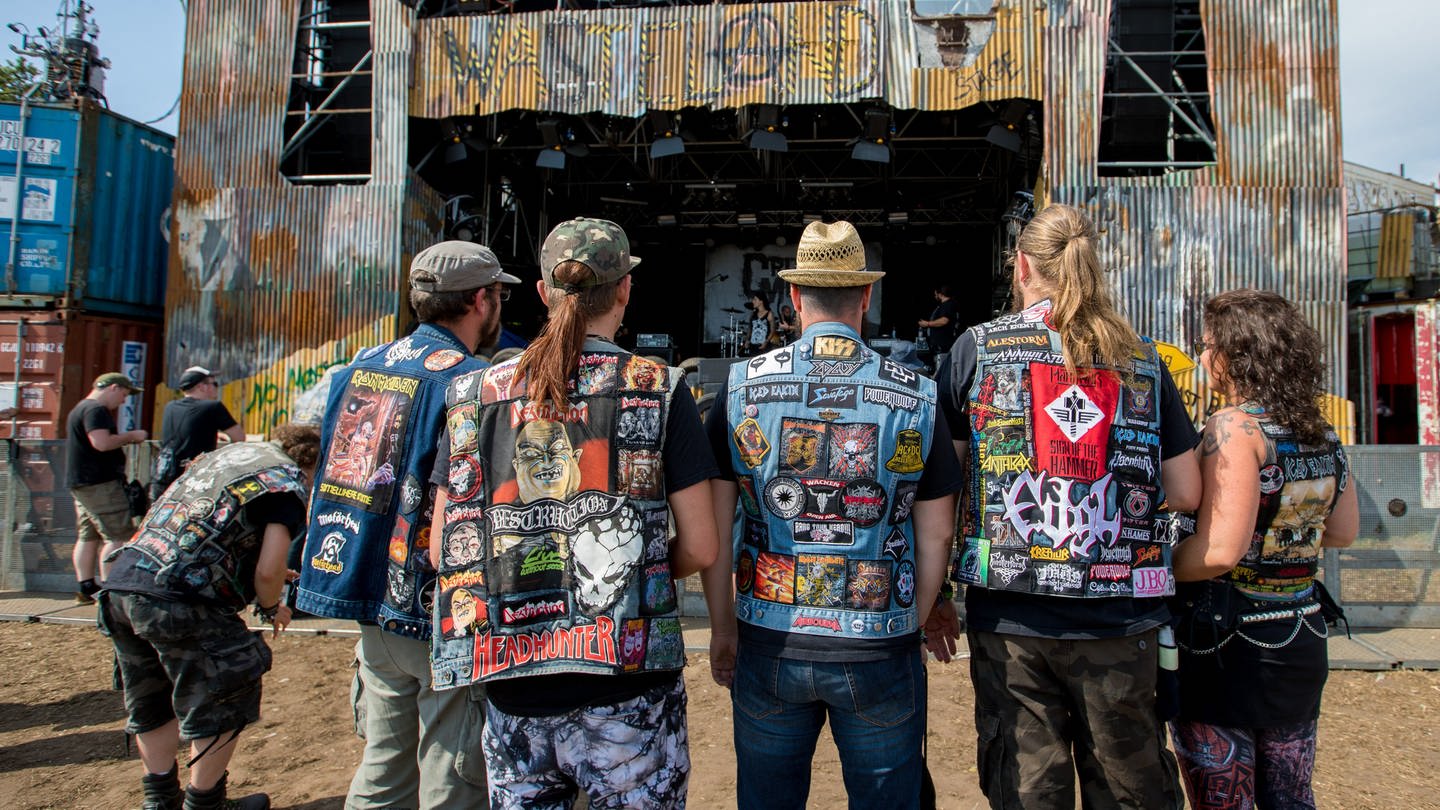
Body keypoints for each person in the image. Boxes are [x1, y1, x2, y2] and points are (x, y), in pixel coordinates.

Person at [429, 217, 720, 809]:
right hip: (626, 685)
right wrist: (634, 566)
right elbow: (703, 546)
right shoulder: (658, 387)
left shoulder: (472, 395)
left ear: (542, 292)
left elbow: (443, 550)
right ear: (624, 290)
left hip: (513, 684)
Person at [933, 203, 1202, 809]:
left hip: (1011, 623)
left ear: (1021, 264)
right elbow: (1185, 491)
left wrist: (938, 597)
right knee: (1132, 792)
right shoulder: (1142, 357)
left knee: (1027, 793)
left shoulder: (975, 349)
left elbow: (944, 492)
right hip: (1121, 620)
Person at [702, 219, 963, 810]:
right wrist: (911, 621)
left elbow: (716, 530)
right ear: (866, 296)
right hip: (878, 643)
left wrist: (722, 627)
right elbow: (939, 532)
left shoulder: (741, 387)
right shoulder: (917, 393)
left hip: (770, 637)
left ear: (794, 297)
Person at [295, 240, 518, 809]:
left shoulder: (358, 369)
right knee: (454, 771)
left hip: (366, 598)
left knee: (384, 766)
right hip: (438, 607)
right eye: (498, 295)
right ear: (480, 300)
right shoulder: (474, 383)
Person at [1169, 289, 1359, 809]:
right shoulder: (1320, 429)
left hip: (1228, 643)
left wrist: (1154, 568)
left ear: (1234, 354)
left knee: (1224, 800)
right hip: (1300, 636)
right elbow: (1342, 532)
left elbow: (1219, 553)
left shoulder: (1234, 427)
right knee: (1291, 796)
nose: (1203, 357)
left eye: (1207, 345)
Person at [99, 422, 320, 810]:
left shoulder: (223, 459)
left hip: (123, 585)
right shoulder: (285, 483)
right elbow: (269, 571)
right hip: (180, 599)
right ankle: (205, 802)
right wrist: (270, 607)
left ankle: (160, 798)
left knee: (152, 700)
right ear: (310, 463)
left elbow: (204, 530)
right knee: (225, 691)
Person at [67, 371, 148, 603]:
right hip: (100, 484)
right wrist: (131, 436)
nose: (123, 400)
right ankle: (112, 591)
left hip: (82, 483)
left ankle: (86, 586)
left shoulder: (80, 408)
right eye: (124, 394)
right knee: (117, 536)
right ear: (113, 387)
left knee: (88, 535)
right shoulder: (96, 410)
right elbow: (101, 443)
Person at [151, 366, 245, 499]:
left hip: (164, 478)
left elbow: (187, 431)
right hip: (194, 481)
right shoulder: (213, 407)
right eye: (214, 384)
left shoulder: (170, 407)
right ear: (202, 386)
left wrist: (215, 434)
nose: (216, 388)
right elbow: (239, 437)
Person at [917, 284, 960, 356]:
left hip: (943, 344)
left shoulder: (948, 305)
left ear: (940, 294)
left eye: (935, 294)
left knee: (940, 363)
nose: (935, 296)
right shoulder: (944, 305)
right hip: (938, 344)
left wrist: (927, 324)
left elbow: (944, 320)